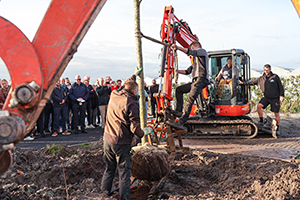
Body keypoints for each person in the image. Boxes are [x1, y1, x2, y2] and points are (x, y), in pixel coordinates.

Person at [101, 74, 144, 200]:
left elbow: (126, 86)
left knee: (109, 169)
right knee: (124, 173)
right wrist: (144, 133)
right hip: (121, 141)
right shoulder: (131, 103)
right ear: (135, 91)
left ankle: (103, 195)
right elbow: (135, 128)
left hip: (107, 138)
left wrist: (134, 76)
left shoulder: (114, 94)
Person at [167, 41, 209, 130]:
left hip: (201, 79)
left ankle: (181, 121)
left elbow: (191, 52)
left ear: (197, 46)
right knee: (179, 89)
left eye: (192, 47)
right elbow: (187, 71)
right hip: (196, 81)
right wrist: (175, 70)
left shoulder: (202, 51)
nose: (192, 50)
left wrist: (178, 48)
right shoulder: (195, 62)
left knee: (190, 99)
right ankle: (178, 111)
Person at [240, 64, 284, 134]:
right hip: (266, 97)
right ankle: (261, 120)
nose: (266, 71)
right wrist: (242, 83)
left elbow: (280, 87)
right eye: (265, 70)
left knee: (276, 113)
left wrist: (282, 96)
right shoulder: (261, 78)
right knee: (259, 106)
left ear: (270, 69)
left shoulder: (275, 77)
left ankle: (277, 128)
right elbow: (252, 82)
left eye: (267, 70)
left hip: (275, 98)